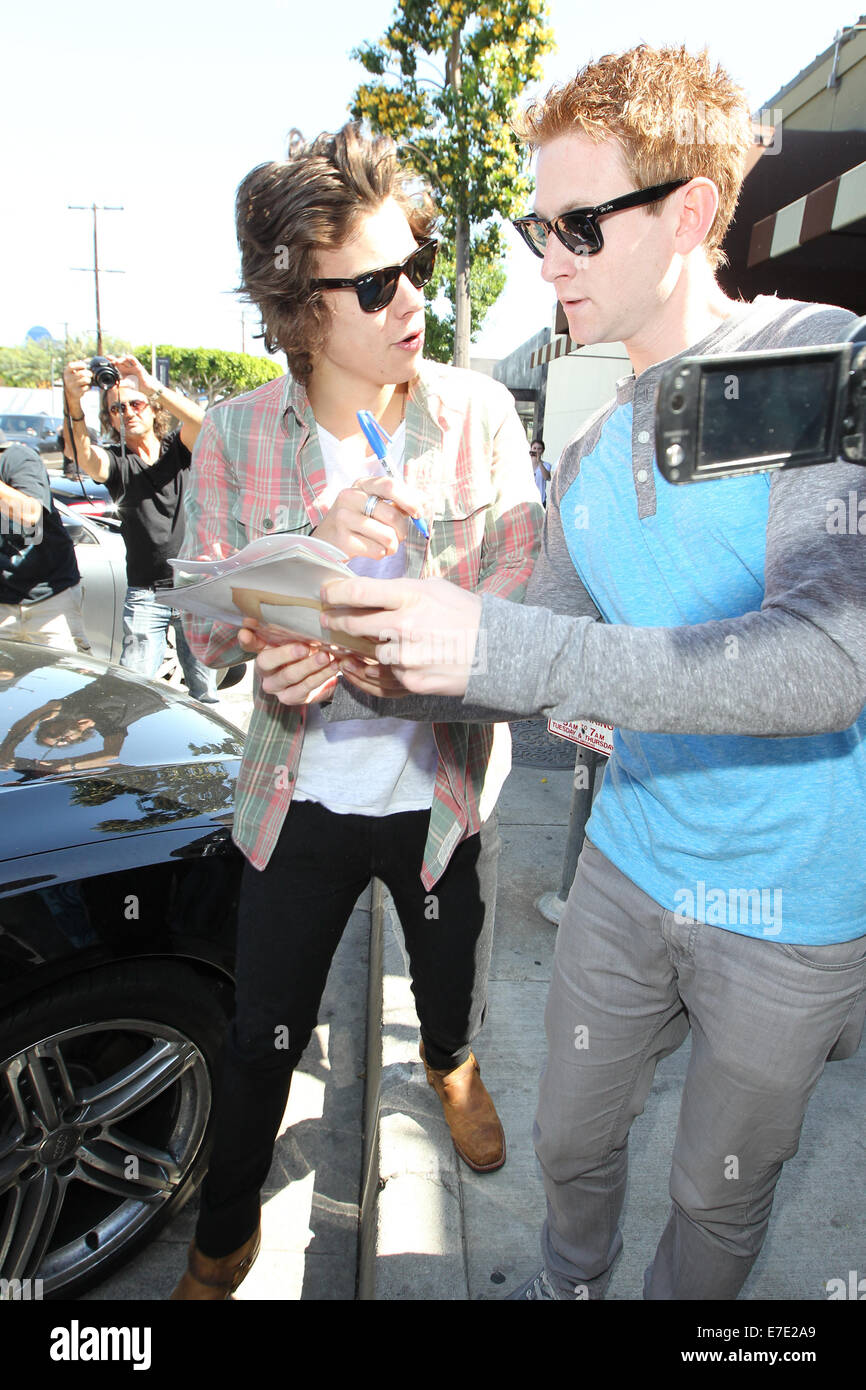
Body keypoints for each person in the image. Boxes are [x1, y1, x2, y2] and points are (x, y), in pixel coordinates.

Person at [318, 46, 866, 1301]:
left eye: (577, 224)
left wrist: (503, 640)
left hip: (787, 912)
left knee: (716, 1197)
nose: (548, 258)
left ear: (689, 213)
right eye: (533, 228)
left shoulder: (814, 363)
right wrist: (365, 665)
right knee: (569, 1143)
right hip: (626, 867)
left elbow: (824, 662)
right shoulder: (597, 432)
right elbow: (525, 660)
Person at [168, 123, 542, 1298]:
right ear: (298, 305)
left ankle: (448, 1064)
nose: (411, 298)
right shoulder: (232, 436)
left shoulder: (478, 418)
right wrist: (279, 617)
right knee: (257, 1038)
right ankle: (223, 1242)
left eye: (416, 264)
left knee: (444, 981)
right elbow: (200, 625)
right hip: (296, 801)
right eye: (375, 283)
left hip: (436, 799)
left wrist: (421, 649)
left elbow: (527, 606)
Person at [61, 354, 217, 702]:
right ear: (110, 419)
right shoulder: (118, 463)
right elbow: (83, 454)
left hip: (195, 589)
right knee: (132, 692)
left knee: (206, 695)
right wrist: (72, 400)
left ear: (151, 408)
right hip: (146, 594)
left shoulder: (179, 450)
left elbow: (207, 424)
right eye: (117, 409)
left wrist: (153, 386)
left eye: (135, 403)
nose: (128, 412)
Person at [0, 436, 90, 651]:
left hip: (50, 599)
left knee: (63, 681)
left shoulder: (17, 458)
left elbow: (31, 513)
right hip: (3, 605)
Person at [529, 437, 551, 504]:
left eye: (539, 449)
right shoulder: (525, 464)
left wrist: (539, 462)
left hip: (540, 501)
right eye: (534, 448)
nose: (536, 451)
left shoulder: (546, 465)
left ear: (542, 451)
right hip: (526, 500)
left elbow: (547, 477)